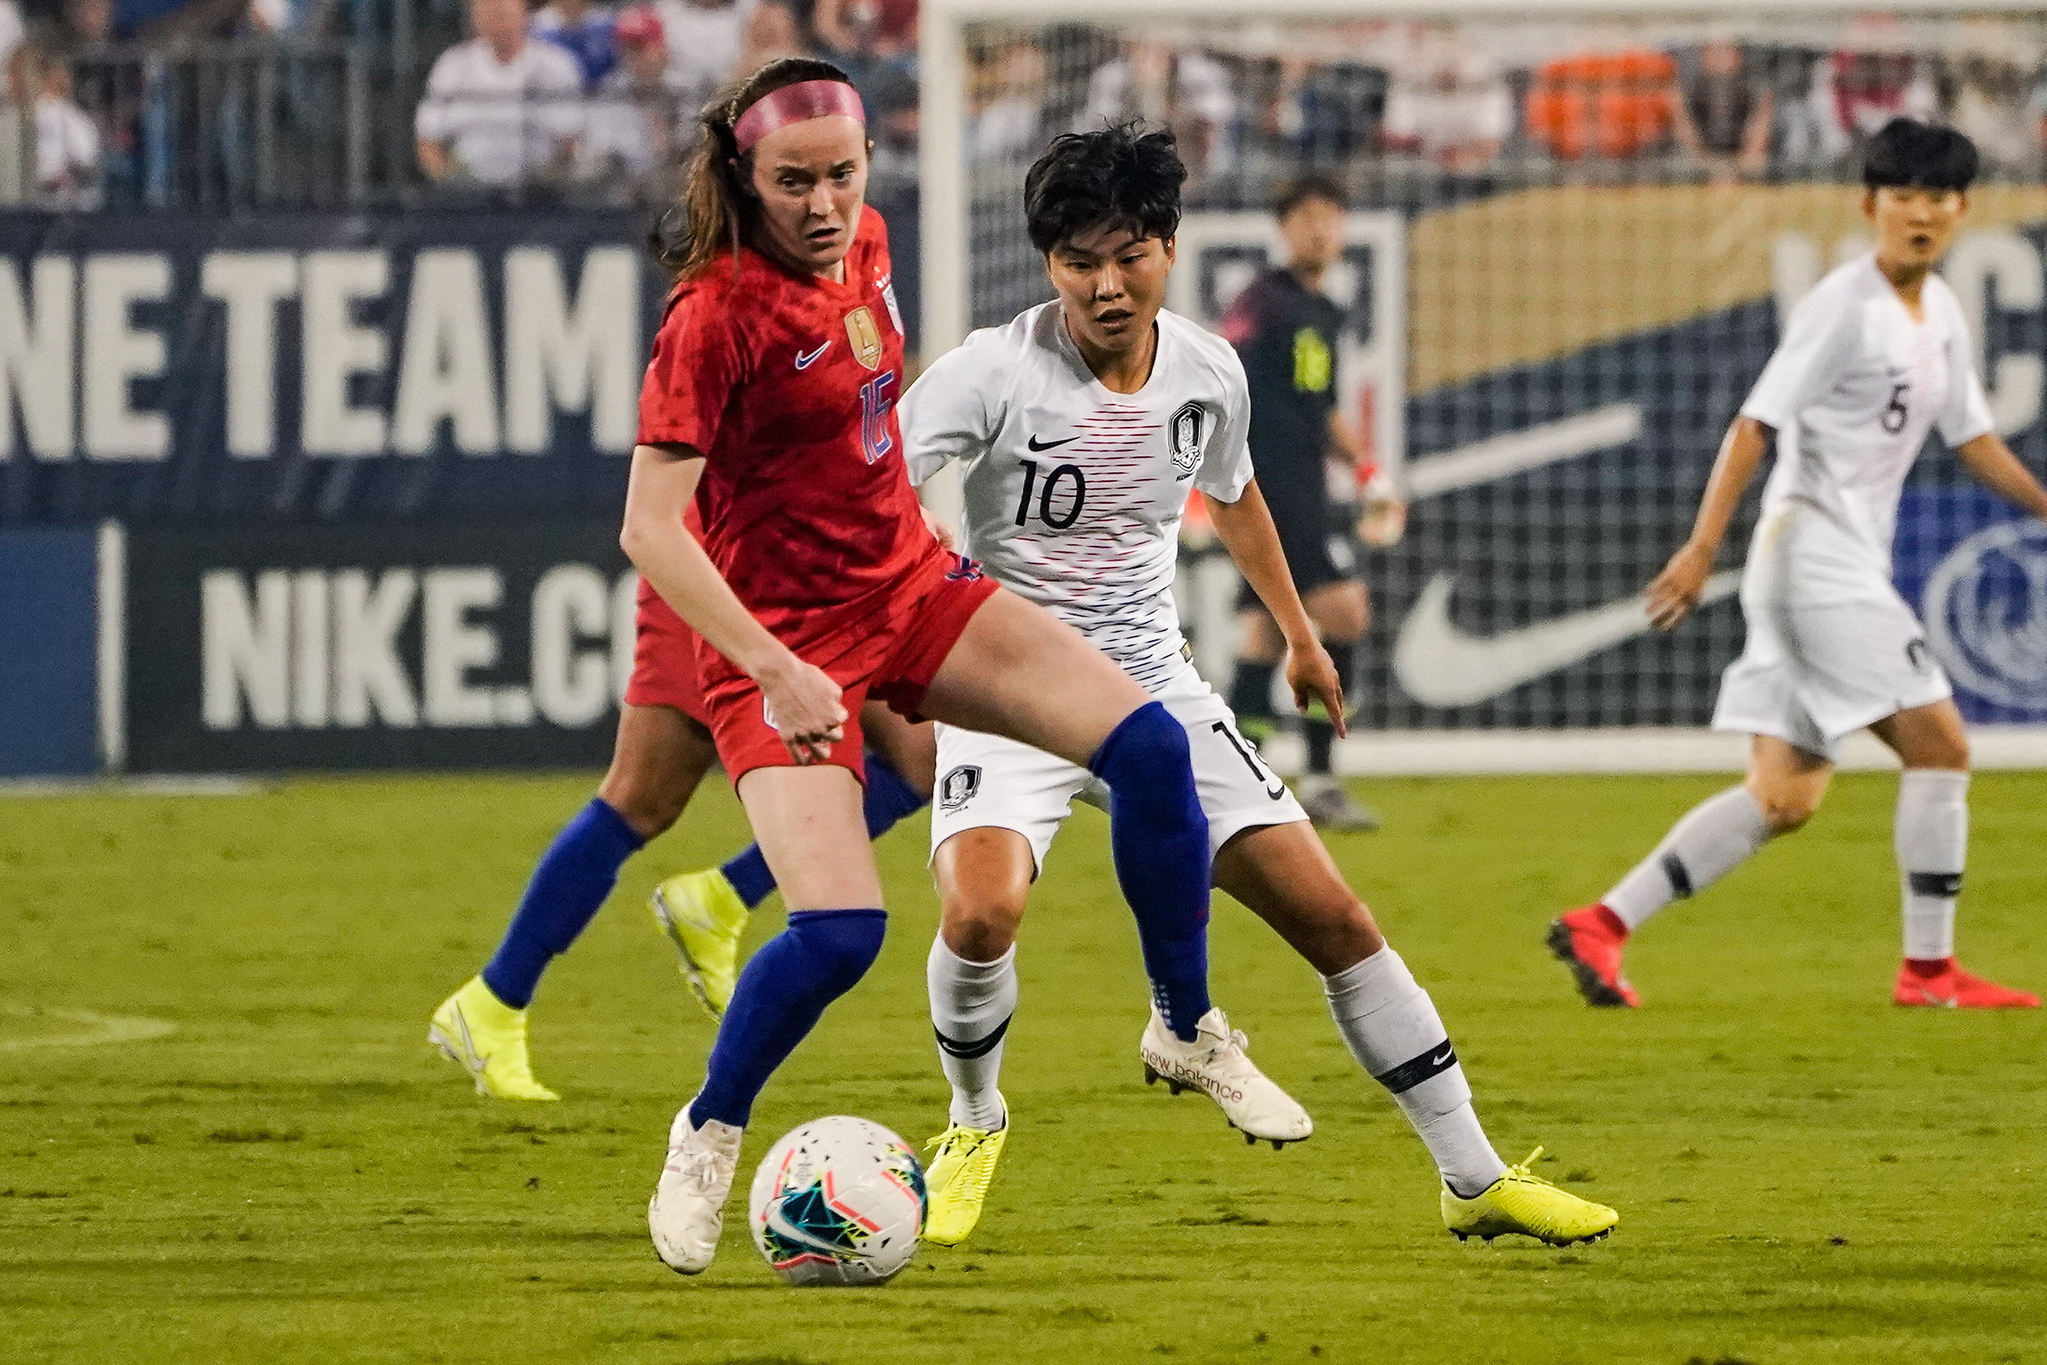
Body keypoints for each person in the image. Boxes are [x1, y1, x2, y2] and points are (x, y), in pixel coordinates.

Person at [625, 60, 1281, 1277]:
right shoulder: (712, 318)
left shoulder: (868, 246)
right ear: (741, 176)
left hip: (912, 593)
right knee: (837, 935)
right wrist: (774, 666)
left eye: (842, 174)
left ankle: (1185, 1027)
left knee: (1149, 747)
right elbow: (650, 529)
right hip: (782, 644)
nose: (823, 204)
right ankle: (707, 1133)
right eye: (792, 182)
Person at [1550, 119, 2047, 1012]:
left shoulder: (1937, 313)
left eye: (1938, 197)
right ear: (1869, 206)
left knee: (1784, 796)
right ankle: (1928, 973)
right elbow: (1754, 423)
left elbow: (1970, 436)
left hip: (1836, 560)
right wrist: (1702, 547)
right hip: (1812, 557)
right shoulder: (1842, 305)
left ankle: (1603, 922)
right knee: (1940, 744)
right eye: (1901, 196)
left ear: (1962, 209)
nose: (1920, 213)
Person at [428, 584, 937, 1100]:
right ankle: (494, 1001)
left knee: (920, 755)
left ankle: (725, 896)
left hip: (814, 584)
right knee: (641, 800)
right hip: (717, 585)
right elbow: (652, 523)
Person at [1220, 176, 1402, 832]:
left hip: (1302, 483)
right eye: (1306, 217)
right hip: (1269, 487)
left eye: (1330, 216)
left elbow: (1319, 408)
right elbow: (1221, 376)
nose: (1320, 229)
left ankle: (1239, 779)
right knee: (1345, 613)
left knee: (1264, 637)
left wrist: (1368, 473)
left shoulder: (1323, 312)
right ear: (1283, 227)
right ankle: (1320, 778)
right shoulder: (1260, 302)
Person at [416, 0, 585, 189]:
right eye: (487, 8)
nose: (496, 14)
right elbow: (428, 140)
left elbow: (572, 139)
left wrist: (554, 184)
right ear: (474, 17)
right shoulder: (453, 65)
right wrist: (448, 186)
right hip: (470, 195)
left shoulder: (556, 63)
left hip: (542, 194)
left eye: (504, 8)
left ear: (524, 12)